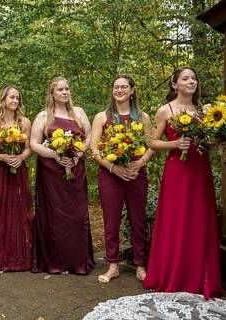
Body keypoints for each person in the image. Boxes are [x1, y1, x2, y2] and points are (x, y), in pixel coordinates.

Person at [143, 67, 222, 299]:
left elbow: (207, 143)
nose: (191, 81)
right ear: (174, 84)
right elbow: (151, 143)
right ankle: (173, 275)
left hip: (200, 170)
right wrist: (175, 144)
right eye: (185, 78)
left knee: (199, 220)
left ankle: (199, 277)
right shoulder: (165, 110)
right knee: (176, 219)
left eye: (194, 78)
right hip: (178, 170)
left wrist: (218, 145)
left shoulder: (204, 111)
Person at [90, 74, 155, 283]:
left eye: (124, 87)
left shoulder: (142, 117)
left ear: (132, 90)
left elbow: (152, 145)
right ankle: (113, 265)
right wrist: (113, 168)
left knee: (138, 220)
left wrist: (141, 162)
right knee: (111, 220)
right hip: (111, 175)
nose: (119, 90)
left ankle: (140, 265)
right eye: (116, 87)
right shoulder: (102, 116)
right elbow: (94, 150)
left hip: (136, 173)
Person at [30, 76, 95, 274]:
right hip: (51, 173)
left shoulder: (79, 113)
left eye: (67, 89)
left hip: (75, 170)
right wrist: (55, 155)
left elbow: (89, 137)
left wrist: (78, 156)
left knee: (76, 216)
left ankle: (77, 261)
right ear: (52, 93)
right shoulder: (43, 116)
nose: (65, 92)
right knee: (54, 216)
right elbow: (34, 143)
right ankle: (54, 261)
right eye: (60, 90)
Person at [0, 85, 33, 271]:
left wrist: (20, 157)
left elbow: (29, 148)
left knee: (19, 211)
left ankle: (19, 257)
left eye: (17, 98)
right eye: (12, 97)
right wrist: (3, 157)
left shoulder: (25, 122)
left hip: (18, 171)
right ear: (3, 99)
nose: (15, 101)